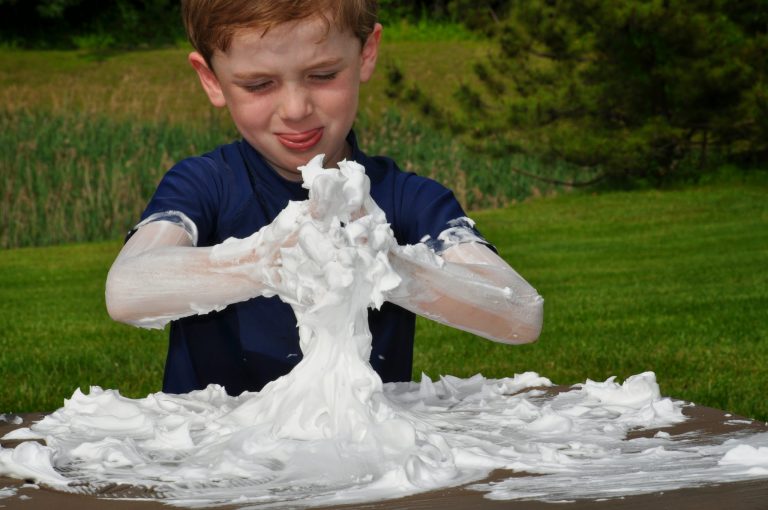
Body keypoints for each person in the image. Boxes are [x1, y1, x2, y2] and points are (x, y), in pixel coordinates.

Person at [106, 0, 543, 396]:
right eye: (259, 84)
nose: (296, 108)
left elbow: (520, 314)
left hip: (361, 462)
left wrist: (390, 268)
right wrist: (266, 260)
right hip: (215, 462)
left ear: (366, 53)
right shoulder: (205, 184)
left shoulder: (409, 199)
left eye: (322, 75)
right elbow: (126, 291)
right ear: (212, 80)